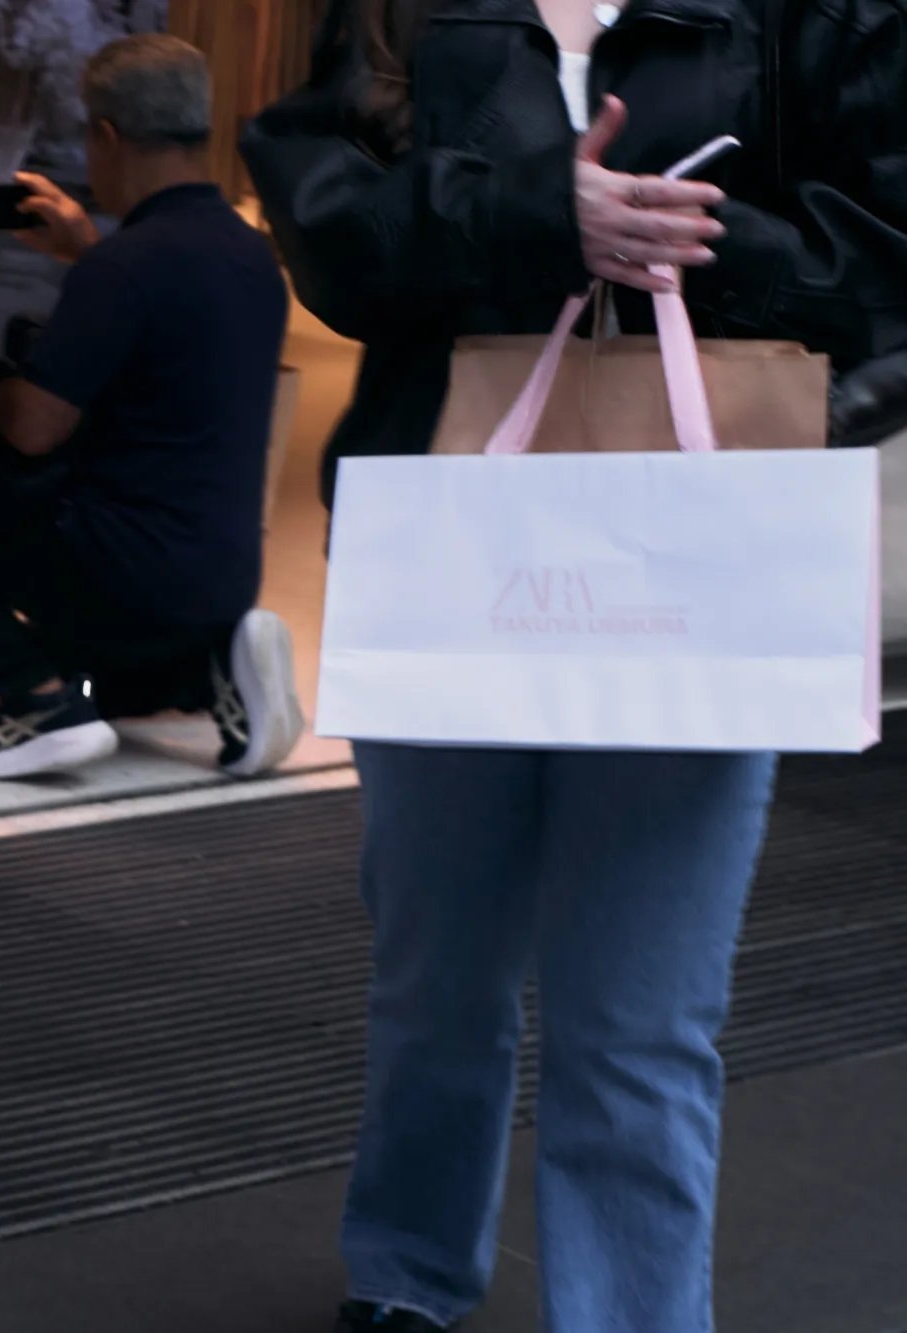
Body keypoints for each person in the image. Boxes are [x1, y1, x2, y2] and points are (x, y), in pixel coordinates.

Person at [242, 0, 907, 1324]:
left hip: (698, 545)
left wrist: (691, 240)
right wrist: (538, 214)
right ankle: (407, 1276)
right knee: (435, 978)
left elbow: (885, 253)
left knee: (642, 1016)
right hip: (453, 527)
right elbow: (326, 224)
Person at [0, 33, 305, 782]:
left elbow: (32, 430)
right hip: (221, 574)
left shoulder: (127, 270)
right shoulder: (251, 256)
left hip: (124, 580)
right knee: (119, 683)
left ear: (105, 135)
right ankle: (212, 671)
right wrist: (89, 254)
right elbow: (169, 339)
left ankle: (37, 699)